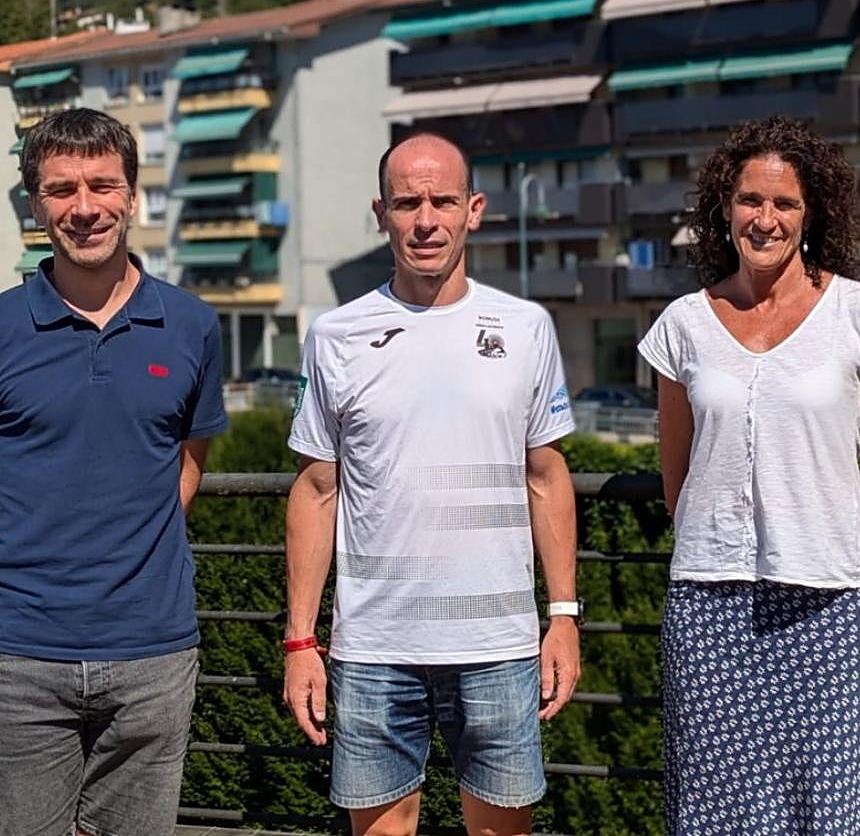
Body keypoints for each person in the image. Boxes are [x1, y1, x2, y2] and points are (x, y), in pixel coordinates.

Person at [283, 132, 580, 836]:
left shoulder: (526, 327)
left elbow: (546, 474)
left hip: (500, 647)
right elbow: (316, 490)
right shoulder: (335, 335)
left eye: (442, 201)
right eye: (407, 202)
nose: (425, 220)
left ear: (472, 209)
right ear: (380, 212)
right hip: (374, 649)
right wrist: (300, 641)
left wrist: (563, 615)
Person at [637, 115, 860, 834]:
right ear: (724, 210)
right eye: (750, 201)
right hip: (709, 609)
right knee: (720, 808)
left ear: (811, 212)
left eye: (784, 203)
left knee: (838, 806)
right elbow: (679, 477)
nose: (765, 219)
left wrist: (857, 565)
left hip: (830, 609)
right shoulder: (683, 325)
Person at [0, 108, 228, 835]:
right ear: (35, 205)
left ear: (132, 195)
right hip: (18, 653)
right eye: (61, 189)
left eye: (103, 185)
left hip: (153, 652)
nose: (85, 208)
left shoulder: (193, 325)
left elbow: (188, 459)